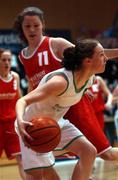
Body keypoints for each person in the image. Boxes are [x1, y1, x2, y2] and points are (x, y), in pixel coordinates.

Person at [13, 6, 118, 165]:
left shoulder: (55, 44)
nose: (32, 29)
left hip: (74, 105)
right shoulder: (23, 56)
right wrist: (26, 108)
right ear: (21, 28)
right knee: (45, 166)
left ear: (43, 25)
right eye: (27, 26)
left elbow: (92, 56)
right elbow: (32, 85)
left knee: (105, 153)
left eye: (36, 25)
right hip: (50, 111)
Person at [15, 38, 108, 179]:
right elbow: (23, 101)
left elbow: (77, 88)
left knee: (89, 151)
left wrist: (83, 91)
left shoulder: (89, 79)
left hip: (55, 123)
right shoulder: (60, 82)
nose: (106, 58)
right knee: (41, 175)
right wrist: (21, 121)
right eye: (101, 54)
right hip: (32, 127)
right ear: (87, 61)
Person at [0, 49, 26, 179]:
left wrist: (24, 115)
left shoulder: (15, 77)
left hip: (12, 124)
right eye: (3, 59)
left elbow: (20, 99)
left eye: (9, 60)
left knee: (21, 159)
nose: (7, 62)